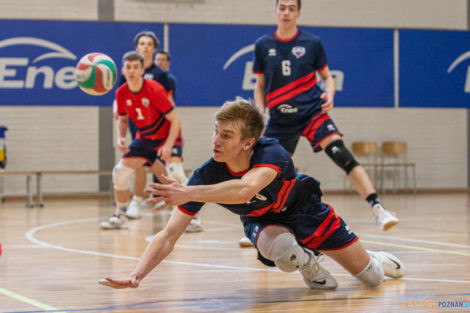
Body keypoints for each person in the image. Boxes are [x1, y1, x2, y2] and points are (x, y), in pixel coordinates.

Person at [100, 98, 405, 290]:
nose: (216, 141)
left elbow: (246, 188)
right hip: (264, 224)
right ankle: (308, 262)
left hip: (306, 211)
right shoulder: (206, 174)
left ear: (248, 143)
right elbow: (168, 235)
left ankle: (372, 257)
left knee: (372, 280)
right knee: (285, 250)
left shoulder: (272, 152)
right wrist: (136, 275)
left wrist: (189, 192)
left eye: (226, 136)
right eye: (216, 132)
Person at [252, 0, 398, 231]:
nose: (286, 12)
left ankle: (378, 209)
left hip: (312, 112)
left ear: (298, 12)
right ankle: (261, 224)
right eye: (282, 7)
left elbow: (328, 77)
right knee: (265, 171)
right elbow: (259, 86)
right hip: (280, 119)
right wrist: (260, 111)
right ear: (276, 11)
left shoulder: (312, 43)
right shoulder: (262, 45)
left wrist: (330, 94)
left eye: (291, 8)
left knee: (343, 155)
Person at [100, 51, 181, 229]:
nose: (132, 70)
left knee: (174, 175)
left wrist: (168, 145)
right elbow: (122, 119)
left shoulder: (154, 89)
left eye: (136, 67)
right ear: (122, 70)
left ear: (142, 70)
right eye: (128, 67)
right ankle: (119, 215)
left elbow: (175, 120)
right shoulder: (121, 93)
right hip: (144, 138)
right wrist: (121, 137)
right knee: (120, 172)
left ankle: (194, 217)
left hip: (166, 136)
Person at [154, 50, 203, 232]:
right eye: (156, 60)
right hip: (151, 134)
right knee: (162, 171)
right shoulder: (142, 81)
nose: (158, 62)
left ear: (167, 63)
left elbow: (170, 110)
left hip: (167, 130)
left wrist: (175, 135)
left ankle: (194, 214)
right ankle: (179, 205)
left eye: (162, 60)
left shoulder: (168, 80)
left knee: (175, 171)